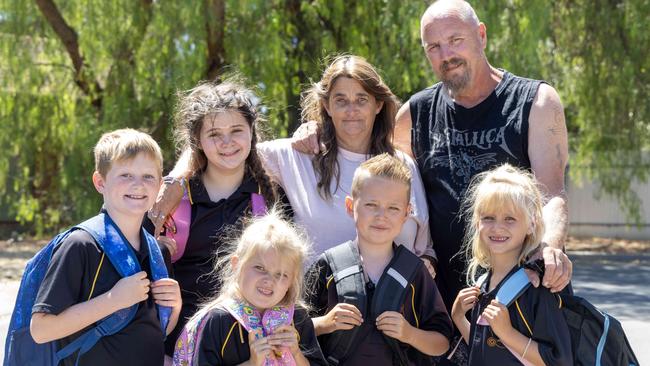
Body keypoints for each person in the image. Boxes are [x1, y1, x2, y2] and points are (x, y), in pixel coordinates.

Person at [292, 0, 571, 312]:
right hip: (441, 299)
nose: (446, 55)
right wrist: (319, 128)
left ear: (481, 35)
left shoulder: (535, 102)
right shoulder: (414, 114)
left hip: (522, 287)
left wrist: (549, 249)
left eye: (455, 40)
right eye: (434, 47)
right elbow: (374, 165)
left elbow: (552, 194)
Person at [150, 55, 434, 273]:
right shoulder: (298, 156)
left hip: (393, 319)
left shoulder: (401, 167)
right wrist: (177, 179)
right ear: (326, 106)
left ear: (378, 105)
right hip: (321, 320)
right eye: (340, 100)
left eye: (361, 99)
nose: (351, 110)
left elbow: (424, 249)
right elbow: (223, 143)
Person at [147, 78, 281, 356]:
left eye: (236, 130)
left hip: (244, 345)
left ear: (252, 132)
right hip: (175, 343)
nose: (227, 142)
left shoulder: (268, 199)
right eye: (214, 134)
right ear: (197, 140)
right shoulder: (171, 198)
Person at [30, 129, 182, 366]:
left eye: (148, 177)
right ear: (100, 182)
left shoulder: (158, 253)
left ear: (160, 185)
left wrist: (174, 306)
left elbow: (156, 330)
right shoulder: (80, 245)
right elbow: (41, 329)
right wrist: (113, 299)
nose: (138, 185)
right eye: (126, 175)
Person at [306, 154, 451, 366]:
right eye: (371, 205)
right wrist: (324, 324)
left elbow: (442, 342)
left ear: (406, 214)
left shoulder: (414, 271)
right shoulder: (328, 265)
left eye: (393, 208)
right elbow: (290, 327)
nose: (381, 215)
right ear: (350, 206)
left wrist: (409, 333)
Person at [451, 164, 571, 365]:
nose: (498, 227)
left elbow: (559, 360)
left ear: (531, 224)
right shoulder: (482, 284)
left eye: (510, 219)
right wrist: (458, 317)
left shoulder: (538, 286)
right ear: (476, 222)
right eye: (488, 217)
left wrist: (507, 333)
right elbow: (484, 349)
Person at [174, 209, 327, 366]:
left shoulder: (297, 318)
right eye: (260, 268)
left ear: (291, 282)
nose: (269, 280)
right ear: (237, 265)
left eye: (281, 274)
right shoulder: (218, 320)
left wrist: (296, 353)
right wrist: (251, 363)